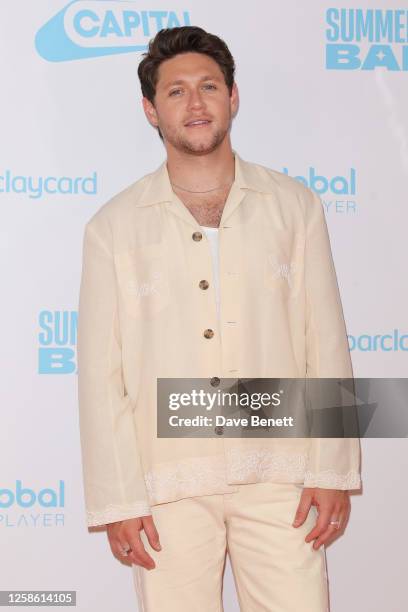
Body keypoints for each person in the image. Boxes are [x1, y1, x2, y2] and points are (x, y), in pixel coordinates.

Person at [77, 25, 361, 612]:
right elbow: (102, 378)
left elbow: (324, 341)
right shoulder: (114, 226)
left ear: (233, 97)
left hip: (281, 474)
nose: (196, 102)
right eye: (176, 91)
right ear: (151, 110)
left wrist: (331, 471)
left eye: (209, 86)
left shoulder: (294, 205)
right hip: (166, 485)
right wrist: (118, 500)